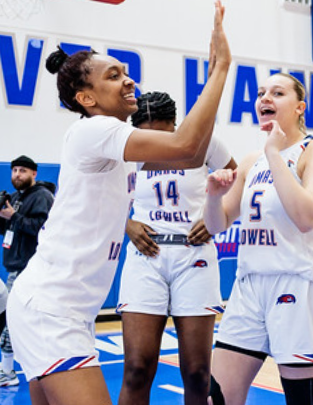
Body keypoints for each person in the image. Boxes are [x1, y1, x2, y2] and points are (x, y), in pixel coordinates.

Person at [5, 4, 231, 404]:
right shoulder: (96, 130)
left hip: (58, 310)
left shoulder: (110, 141)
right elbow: (186, 144)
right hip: (51, 310)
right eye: (114, 76)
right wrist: (220, 71)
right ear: (86, 97)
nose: (129, 82)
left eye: (127, 73)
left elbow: (191, 156)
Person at [202, 72, 313, 405]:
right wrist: (212, 196)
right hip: (249, 285)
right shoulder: (251, 161)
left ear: (299, 107)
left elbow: (307, 218)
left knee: (302, 400)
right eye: (262, 92)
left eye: (277, 93)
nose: (265, 98)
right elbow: (217, 225)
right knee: (215, 397)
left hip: (297, 285)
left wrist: (276, 153)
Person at [116, 92, 236, 405]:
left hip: (194, 256)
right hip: (146, 257)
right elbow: (98, 196)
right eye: (147, 132)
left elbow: (239, 181)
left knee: (197, 372)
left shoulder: (204, 142)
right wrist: (126, 224)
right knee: (136, 368)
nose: (154, 139)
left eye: (162, 131)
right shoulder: (128, 147)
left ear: (175, 124)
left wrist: (213, 215)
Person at [0, 155, 55, 387]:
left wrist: (14, 216)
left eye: (22, 171)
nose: (17, 175)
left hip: (30, 268)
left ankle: (7, 372)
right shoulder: (14, 197)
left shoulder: (42, 196)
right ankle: (18, 369)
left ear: (34, 173)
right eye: (14, 171)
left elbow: (42, 229)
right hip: (14, 265)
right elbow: (9, 230)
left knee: (11, 321)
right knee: (23, 321)